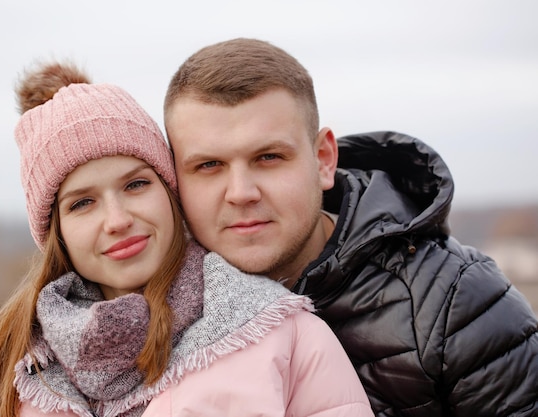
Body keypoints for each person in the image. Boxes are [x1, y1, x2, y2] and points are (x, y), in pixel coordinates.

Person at [163, 37, 538, 416]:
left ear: (323, 159)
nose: (241, 193)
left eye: (269, 157)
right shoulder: (150, 308)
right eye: (209, 165)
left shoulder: (458, 304)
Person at [0, 61, 373, 417]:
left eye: (136, 184)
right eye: (82, 203)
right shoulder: (28, 364)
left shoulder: (282, 335)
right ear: (56, 233)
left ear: (171, 194)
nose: (117, 220)